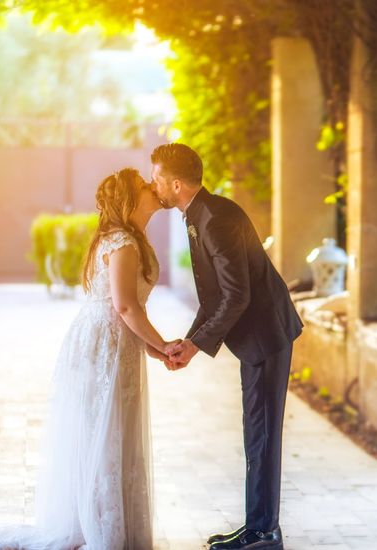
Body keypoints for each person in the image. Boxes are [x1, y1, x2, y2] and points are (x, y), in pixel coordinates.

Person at [0, 168, 175, 549]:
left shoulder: (127, 239)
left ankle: (105, 525)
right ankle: (102, 529)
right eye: (144, 187)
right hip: (104, 346)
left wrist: (153, 348)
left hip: (116, 342)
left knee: (110, 430)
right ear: (129, 201)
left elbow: (128, 309)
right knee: (104, 432)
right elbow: (124, 306)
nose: (154, 189)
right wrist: (166, 345)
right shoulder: (121, 242)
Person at [151, 143, 303, 550]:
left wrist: (196, 346)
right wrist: (190, 339)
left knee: (264, 433)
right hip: (255, 337)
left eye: (157, 179)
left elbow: (236, 296)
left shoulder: (214, 219)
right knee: (256, 432)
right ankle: (257, 526)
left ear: (176, 183)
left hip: (267, 334)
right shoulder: (200, 213)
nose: (154, 186)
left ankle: (265, 532)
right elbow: (214, 296)